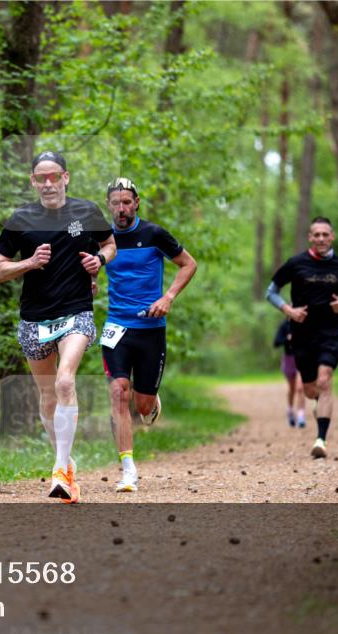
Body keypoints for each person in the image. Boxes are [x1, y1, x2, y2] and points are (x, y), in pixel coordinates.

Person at [0, 151, 117, 503]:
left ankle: (61, 471)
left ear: (66, 177)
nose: (48, 183)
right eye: (40, 178)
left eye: (54, 176)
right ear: (33, 181)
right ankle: (66, 462)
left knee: (65, 382)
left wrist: (100, 261)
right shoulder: (20, 219)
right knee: (47, 397)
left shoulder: (86, 212)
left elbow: (110, 244)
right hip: (34, 318)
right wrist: (29, 263)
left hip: (76, 312)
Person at [101, 178, 196, 492]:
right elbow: (86, 266)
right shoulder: (102, 238)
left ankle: (152, 401)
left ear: (137, 202)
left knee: (141, 407)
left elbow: (188, 264)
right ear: (108, 205)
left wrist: (167, 297)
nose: (121, 208)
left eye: (127, 202)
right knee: (118, 392)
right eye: (116, 202)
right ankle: (128, 469)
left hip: (150, 330)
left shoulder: (153, 234)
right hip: (116, 326)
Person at [266, 217, 338, 459]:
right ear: (310, 237)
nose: (321, 239)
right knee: (308, 390)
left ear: (332, 237)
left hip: (331, 331)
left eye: (325, 234)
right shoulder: (296, 263)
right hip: (302, 333)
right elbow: (271, 292)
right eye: (316, 235)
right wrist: (288, 310)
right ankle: (317, 399)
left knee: (325, 380)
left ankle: (321, 440)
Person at [273, 319, 306, 428]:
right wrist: (287, 339)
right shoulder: (284, 326)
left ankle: (301, 415)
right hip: (289, 360)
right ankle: (290, 410)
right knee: (292, 389)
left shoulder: (303, 323)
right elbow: (276, 342)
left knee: (300, 388)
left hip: (301, 358)